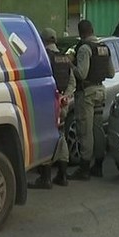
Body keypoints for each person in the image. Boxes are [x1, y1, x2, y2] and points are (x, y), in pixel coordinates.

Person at [70, 20, 114, 180]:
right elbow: (111, 73)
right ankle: (99, 165)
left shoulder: (84, 48)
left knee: (85, 130)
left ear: (81, 33)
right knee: (98, 129)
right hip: (101, 91)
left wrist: (70, 65)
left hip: (87, 93)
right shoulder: (104, 48)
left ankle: (84, 168)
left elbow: (81, 73)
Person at [31, 28, 75, 189]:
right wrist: (65, 97)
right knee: (61, 136)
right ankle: (62, 176)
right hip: (63, 103)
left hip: (48, 103)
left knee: (46, 137)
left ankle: (45, 178)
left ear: (42, 41)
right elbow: (72, 82)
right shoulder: (64, 58)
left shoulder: (44, 59)